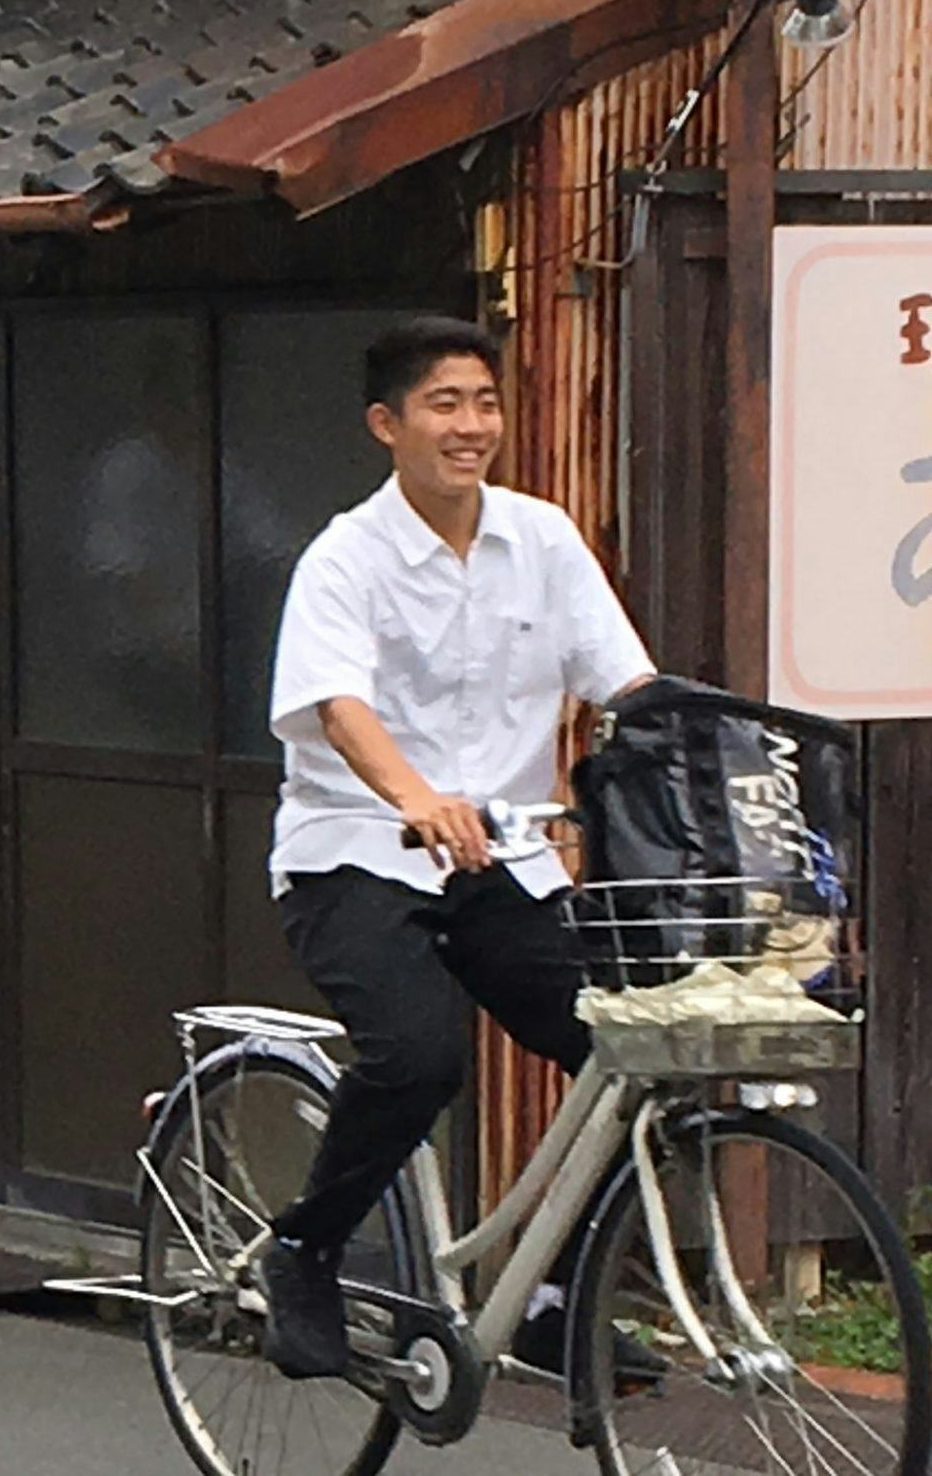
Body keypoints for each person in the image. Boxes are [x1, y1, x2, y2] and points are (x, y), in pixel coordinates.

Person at [259, 317, 657, 1382]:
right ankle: (303, 1248)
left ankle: (551, 1289)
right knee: (421, 1051)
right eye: (444, 404)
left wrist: (694, 742)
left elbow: (624, 677)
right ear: (387, 425)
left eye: (483, 401)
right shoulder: (344, 557)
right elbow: (338, 705)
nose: (470, 424)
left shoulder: (542, 537)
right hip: (354, 848)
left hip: (508, 860)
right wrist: (416, 794)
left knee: (628, 1045)